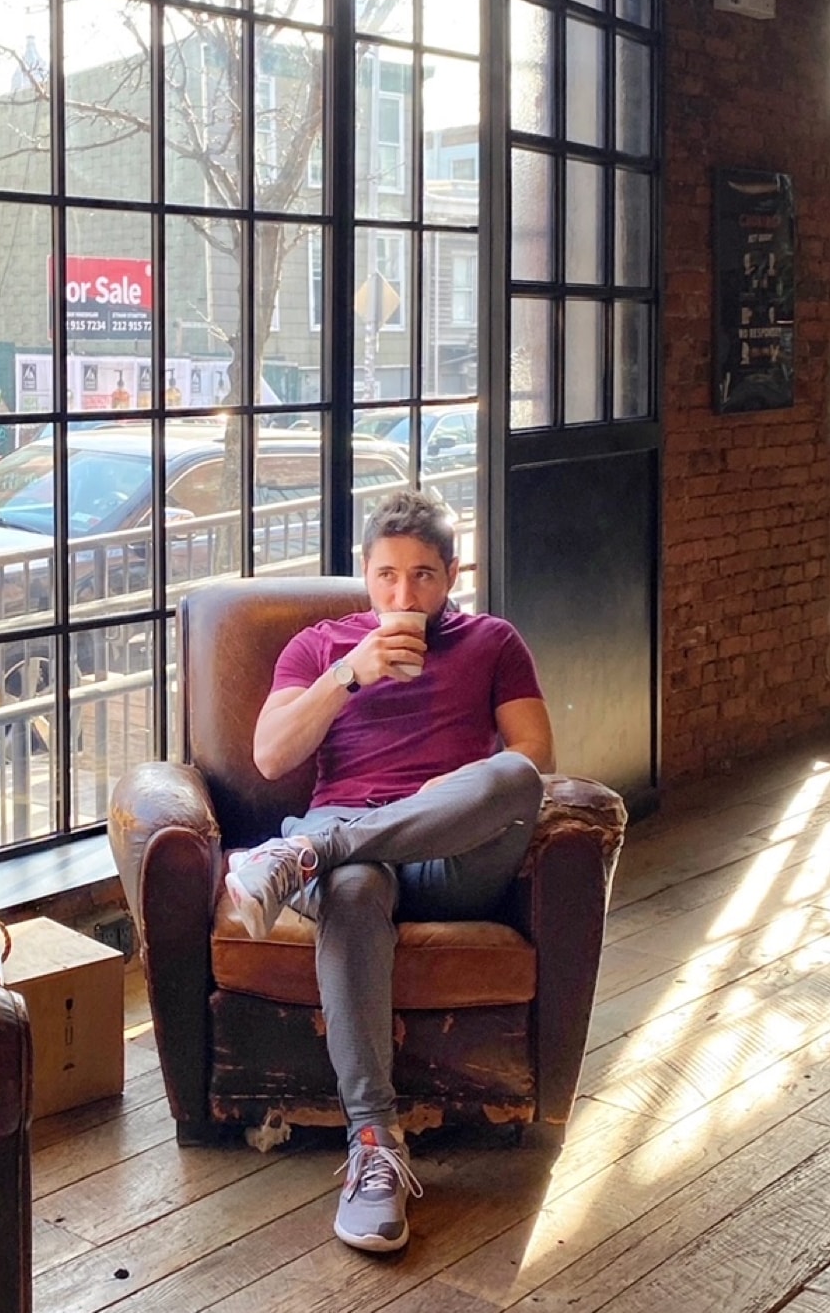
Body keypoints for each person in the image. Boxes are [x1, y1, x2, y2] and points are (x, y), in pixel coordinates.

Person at [226, 489, 555, 1254]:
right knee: (352, 884)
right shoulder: (317, 647)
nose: (403, 596)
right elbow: (272, 755)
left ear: (452, 576)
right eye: (387, 576)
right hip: (347, 850)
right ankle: (374, 1144)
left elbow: (533, 758)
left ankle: (303, 853)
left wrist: (448, 791)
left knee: (513, 781)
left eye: (424, 577)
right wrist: (349, 675)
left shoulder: (493, 641)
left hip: (446, 854)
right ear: (364, 573)